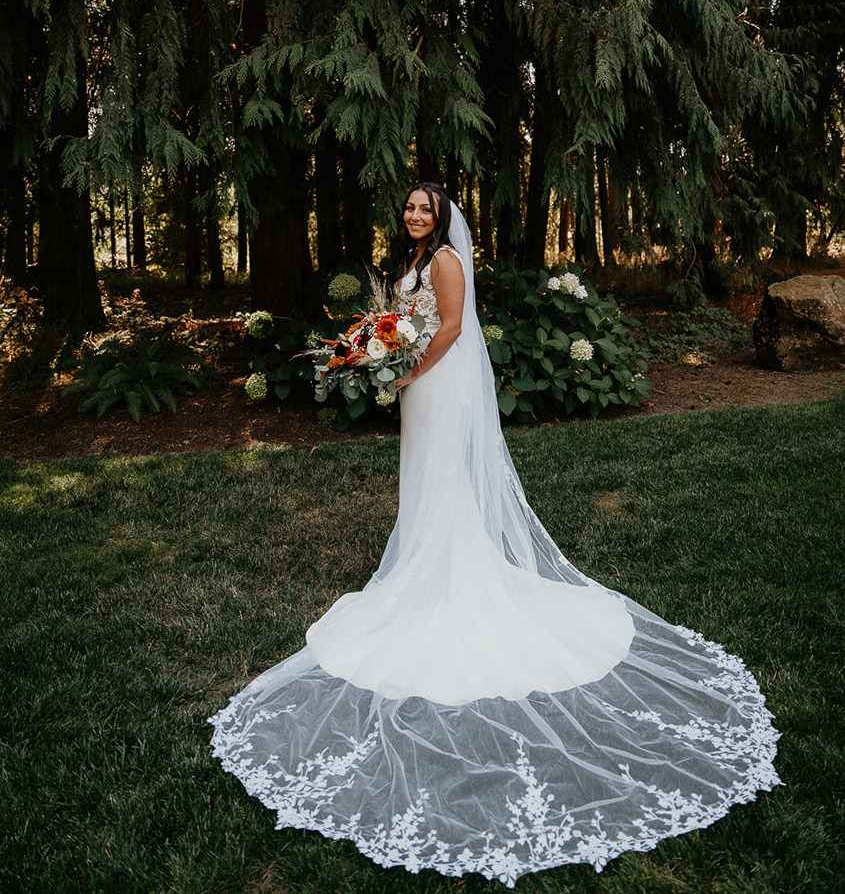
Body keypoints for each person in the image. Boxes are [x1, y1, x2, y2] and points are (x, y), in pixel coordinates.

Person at [210, 183, 780, 886]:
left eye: (425, 207)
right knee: (422, 482)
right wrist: (376, 349)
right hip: (417, 384)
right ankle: (423, 556)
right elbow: (399, 317)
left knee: (444, 477)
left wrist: (406, 369)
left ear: (443, 214)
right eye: (409, 208)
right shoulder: (408, 259)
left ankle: (447, 573)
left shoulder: (446, 258)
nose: (415, 215)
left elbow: (449, 328)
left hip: (439, 382)